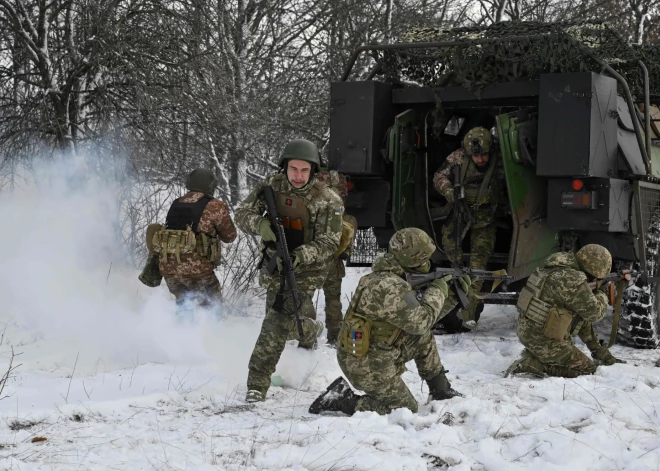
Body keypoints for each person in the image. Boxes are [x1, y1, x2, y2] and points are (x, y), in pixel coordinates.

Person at [308, 228, 471, 416]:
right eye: (424, 258)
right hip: (365, 365)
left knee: (422, 338)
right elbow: (422, 321)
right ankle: (342, 399)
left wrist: (452, 297)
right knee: (405, 410)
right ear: (412, 259)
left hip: (370, 352)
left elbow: (420, 321)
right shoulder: (389, 286)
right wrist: (438, 291)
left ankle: (440, 390)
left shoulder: (388, 278)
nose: (427, 263)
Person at [235, 139, 345, 403]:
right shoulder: (271, 186)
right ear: (285, 167)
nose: (298, 176)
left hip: (308, 268)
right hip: (275, 262)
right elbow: (242, 214)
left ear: (313, 170)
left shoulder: (328, 199)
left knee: (277, 320)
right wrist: (259, 224)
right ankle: (309, 332)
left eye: (304, 170)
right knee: (276, 319)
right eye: (293, 169)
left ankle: (256, 384)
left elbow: (330, 242)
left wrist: (300, 256)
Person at [506, 244, 625, 378]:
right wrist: (602, 292)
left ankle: (538, 354)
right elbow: (595, 313)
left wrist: (598, 350)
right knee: (587, 368)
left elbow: (581, 319)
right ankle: (532, 363)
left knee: (579, 313)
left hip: (530, 332)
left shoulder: (555, 268)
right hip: (544, 340)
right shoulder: (573, 279)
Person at [433, 126, 506, 329]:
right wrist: (449, 192)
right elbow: (439, 176)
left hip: (487, 218)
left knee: (478, 264)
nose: (480, 160)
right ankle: (457, 273)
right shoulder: (458, 157)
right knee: (448, 240)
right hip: (462, 212)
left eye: (484, 156)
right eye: (476, 157)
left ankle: (469, 310)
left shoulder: (499, 160)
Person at [140, 168, 237, 311]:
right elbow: (230, 237)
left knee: (184, 307)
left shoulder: (176, 203)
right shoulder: (215, 205)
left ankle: (182, 331)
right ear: (210, 185)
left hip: (169, 269)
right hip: (198, 271)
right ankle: (212, 332)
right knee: (212, 309)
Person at [315, 169, 357, 346]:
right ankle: (335, 337)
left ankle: (307, 337)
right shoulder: (348, 218)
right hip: (334, 263)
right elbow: (348, 250)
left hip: (312, 261)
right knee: (333, 301)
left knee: (305, 299)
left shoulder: (313, 213)